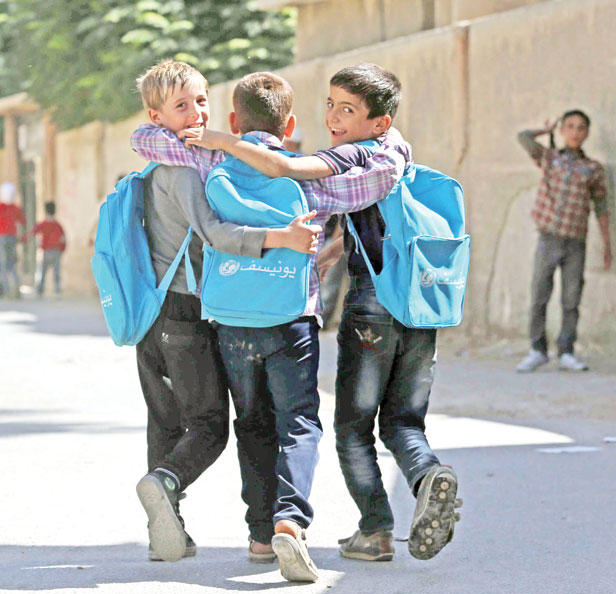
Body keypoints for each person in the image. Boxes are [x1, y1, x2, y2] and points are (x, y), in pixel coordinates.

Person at [175, 63, 461, 565]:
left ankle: (367, 528)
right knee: (401, 422)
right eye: (330, 105)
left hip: (362, 308)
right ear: (289, 124)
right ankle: (424, 476)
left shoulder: (345, 159)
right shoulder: (390, 155)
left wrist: (216, 139)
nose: (333, 117)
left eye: (346, 109)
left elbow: (284, 170)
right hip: (417, 306)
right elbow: (359, 210)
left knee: (348, 428)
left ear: (379, 121)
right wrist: (329, 252)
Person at [131, 68, 409, 581]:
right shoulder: (312, 179)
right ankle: (289, 522)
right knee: (298, 421)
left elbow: (147, 139)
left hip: (231, 321)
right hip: (291, 319)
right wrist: (393, 146)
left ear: (232, 120)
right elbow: (372, 184)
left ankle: (260, 536)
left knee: (251, 423)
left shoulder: (207, 161)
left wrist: (210, 138)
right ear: (291, 125)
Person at [129, 60, 324, 565]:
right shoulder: (185, 171)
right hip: (186, 311)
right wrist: (282, 238)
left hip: (152, 308)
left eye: (201, 101)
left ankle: (165, 529)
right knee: (210, 426)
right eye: (182, 105)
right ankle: (165, 481)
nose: (197, 112)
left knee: (166, 421)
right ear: (156, 116)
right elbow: (216, 235)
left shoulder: (161, 158)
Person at [515, 110, 611, 373]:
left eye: (581, 128)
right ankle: (537, 350)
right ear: (562, 130)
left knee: (571, 299)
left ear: (587, 133)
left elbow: (601, 206)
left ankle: (566, 351)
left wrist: (607, 244)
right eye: (570, 126)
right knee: (539, 295)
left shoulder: (593, 169)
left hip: (575, 242)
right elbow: (523, 137)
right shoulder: (550, 158)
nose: (575, 132)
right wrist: (545, 131)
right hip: (548, 238)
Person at [27, 201, 66, 297]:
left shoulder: (43, 224)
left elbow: (33, 232)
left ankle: (40, 291)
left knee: (42, 272)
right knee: (56, 272)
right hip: (56, 251)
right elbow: (63, 239)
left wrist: (25, 239)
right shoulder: (58, 225)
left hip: (46, 251)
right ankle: (57, 291)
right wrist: (62, 250)